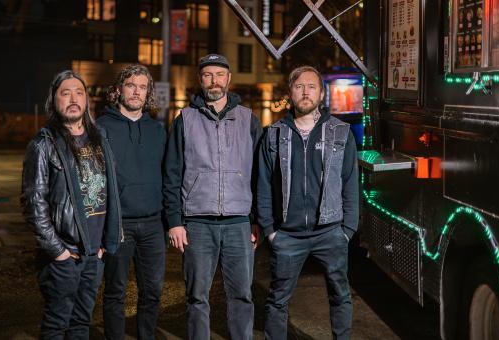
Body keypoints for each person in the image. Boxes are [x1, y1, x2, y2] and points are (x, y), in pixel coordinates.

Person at [163, 53, 262, 340]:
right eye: (208, 75)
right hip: (197, 223)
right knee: (197, 296)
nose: (214, 81)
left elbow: (261, 175)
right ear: (200, 79)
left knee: (242, 295)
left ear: (229, 79)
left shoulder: (248, 119)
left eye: (219, 74)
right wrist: (175, 221)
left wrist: (257, 220)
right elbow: (171, 174)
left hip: (239, 222)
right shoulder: (185, 120)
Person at [257, 65, 359, 340]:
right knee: (277, 299)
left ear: (321, 94)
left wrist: (347, 229)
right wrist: (270, 230)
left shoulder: (340, 132)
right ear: (290, 92)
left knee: (340, 295)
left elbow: (350, 182)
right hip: (287, 234)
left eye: (312, 87)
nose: (305, 92)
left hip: (330, 231)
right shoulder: (274, 134)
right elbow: (263, 184)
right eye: (299, 86)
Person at [21, 70, 122, 339]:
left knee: (81, 325)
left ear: (87, 100)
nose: (73, 99)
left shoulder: (100, 139)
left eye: (79, 93)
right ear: (53, 100)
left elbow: (111, 192)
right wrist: (59, 252)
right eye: (65, 93)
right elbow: (33, 205)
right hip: (64, 256)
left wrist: (104, 245)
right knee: (57, 325)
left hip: (94, 254)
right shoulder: (43, 145)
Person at [96, 65, 166, 340]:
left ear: (148, 93)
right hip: (118, 223)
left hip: (153, 224)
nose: (137, 92)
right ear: (118, 90)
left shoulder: (158, 130)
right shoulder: (101, 128)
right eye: (130, 85)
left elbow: (168, 176)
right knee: (115, 291)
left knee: (153, 291)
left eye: (142, 87)